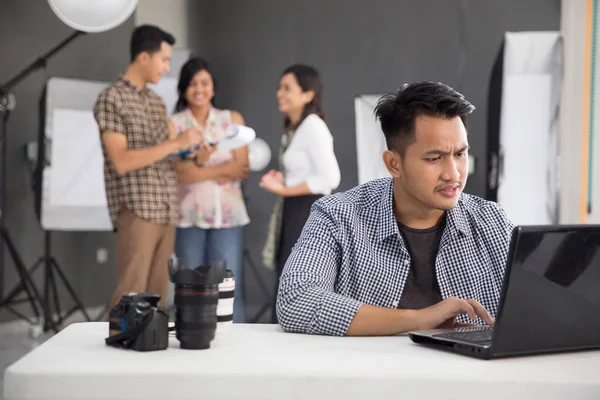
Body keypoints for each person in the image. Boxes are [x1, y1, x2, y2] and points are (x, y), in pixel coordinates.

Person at [276, 81, 514, 336]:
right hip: (371, 374)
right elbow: (295, 300)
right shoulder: (338, 216)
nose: (453, 173)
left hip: (472, 375)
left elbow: (547, 303)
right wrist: (420, 319)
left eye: (460, 154)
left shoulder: (491, 221)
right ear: (394, 164)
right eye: (434, 158)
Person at [94, 25, 212, 311]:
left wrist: (195, 154)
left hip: (166, 208)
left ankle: (148, 350)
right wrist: (175, 144)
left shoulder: (157, 102)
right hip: (138, 209)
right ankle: (115, 352)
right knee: (129, 296)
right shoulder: (112, 98)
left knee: (158, 297)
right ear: (144, 58)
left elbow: (164, 157)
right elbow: (121, 160)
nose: (167, 67)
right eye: (164, 59)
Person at [170, 56, 250, 323]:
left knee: (227, 290)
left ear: (213, 87)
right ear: (183, 89)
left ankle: (233, 348)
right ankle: (190, 341)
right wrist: (211, 166)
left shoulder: (232, 120)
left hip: (228, 217)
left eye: (204, 83)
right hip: (188, 217)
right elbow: (179, 174)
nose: (199, 89)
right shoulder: (175, 124)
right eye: (192, 84)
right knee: (190, 287)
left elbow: (241, 167)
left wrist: (199, 166)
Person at [260, 64, 341, 323]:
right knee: (288, 276)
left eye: (287, 88)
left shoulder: (313, 126)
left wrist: (284, 189)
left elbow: (330, 178)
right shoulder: (295, 128)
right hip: (294, 208)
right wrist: (283, 179)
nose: (279, 93)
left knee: (296, 278)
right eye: (279, 87)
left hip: (307, 211)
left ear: (308, 95)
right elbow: (306, 174)